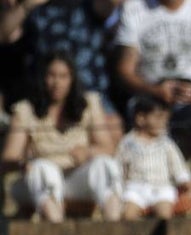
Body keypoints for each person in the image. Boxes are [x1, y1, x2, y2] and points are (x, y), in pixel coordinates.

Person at [115, 0, 191, 210]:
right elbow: (125, 70)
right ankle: (139, 197)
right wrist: (155, 90)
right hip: (152, 96)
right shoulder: (135, 9)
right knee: (144, 120)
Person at [1, 50, 122, 221]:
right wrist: (23, 163)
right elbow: (8, 158)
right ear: (42, 77)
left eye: (63, 76)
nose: (57, 82)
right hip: (37, 183)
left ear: (72, 79)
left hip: (75, 179)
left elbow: (108, 148)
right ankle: (57, 229)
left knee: (105, 165)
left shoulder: (88, 104)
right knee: (43, 169)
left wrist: (88, 152)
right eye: (51, 75)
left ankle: (114, 228)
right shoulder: (25, 110)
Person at [0, 0, 125, 142]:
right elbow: (3, 34)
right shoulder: (35, 8)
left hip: (90, 92)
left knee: (112, 128)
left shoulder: (89, 5)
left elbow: (112, 4)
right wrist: (25, 7)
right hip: (44, 95)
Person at [117, 95, 191, 219]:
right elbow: (120, 168)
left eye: (165, 119)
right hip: (135, 188)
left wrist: (185, 183)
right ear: (141, 118)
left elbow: (177, 166)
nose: (163, 123)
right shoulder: (127, 143)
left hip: (161, 187)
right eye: (158, 118)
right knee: (128, 215)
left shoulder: (167, 144)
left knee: (164, 213)